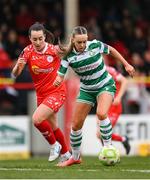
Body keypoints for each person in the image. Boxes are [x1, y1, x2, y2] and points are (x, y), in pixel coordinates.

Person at [54, 26, 135, 167]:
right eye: (79, 42)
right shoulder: (68, 56)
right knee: (75, 125)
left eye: (84, 41)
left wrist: (126, 64)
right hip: (87, 90)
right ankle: (75, 157)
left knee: (101, 113)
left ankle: (108, 147)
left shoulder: (95, 45)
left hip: (105, 85)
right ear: (72, 40)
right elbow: (60, 75)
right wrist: (58, 80)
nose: (82, 45)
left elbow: (112, 50)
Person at [11, 22, 71, 163]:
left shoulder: (54, 50)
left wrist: (61, 75)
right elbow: (15, 74)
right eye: (34, 39)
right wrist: (17, 67)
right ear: (30, 38)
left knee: (37, 119)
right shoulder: (27, 51)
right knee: (54, 126)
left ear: (45, 37)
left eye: (40, 38)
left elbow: (70, 57)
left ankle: (54, 145)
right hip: (42, 94)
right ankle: (66, 154)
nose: (37, 42)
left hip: (57, 92)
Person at [96, 66, 130, 155]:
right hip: (103, 105)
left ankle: (110, 153)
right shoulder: (92, 72)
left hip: (114, 106)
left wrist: (119, 97)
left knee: (101, 133)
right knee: (100, 134)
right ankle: (120, 142)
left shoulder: (109, 70)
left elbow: (125, 81)